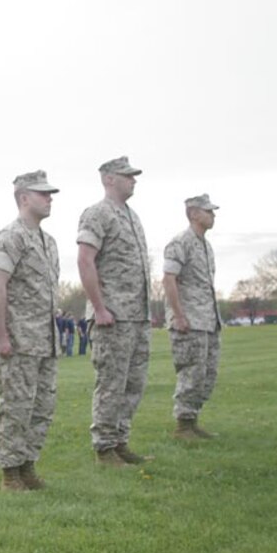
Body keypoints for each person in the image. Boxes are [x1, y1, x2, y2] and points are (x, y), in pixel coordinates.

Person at [0, 170, 61, 491]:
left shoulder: (48, 242)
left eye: (50, 194)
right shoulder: (10, 238)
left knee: (42, 408)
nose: (50, 198)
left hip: (44, 340)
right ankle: (10, 473)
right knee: (16, 408)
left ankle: (28, 466)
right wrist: (1, 334)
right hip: (17, 341)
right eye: (43, 194)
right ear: (24, 198)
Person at [77, 156, 152, 466]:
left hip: (136, 316)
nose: (133, 180)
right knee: (111, 382)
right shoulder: (97, 214)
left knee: (134, 383)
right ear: (109, 179)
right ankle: (104, 447)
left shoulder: (132, 217)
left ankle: (120, 440)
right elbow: (85, 260)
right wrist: (99, 308)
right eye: (127, 175)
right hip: (112, 317)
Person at [163, 194, 222, 440]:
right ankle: (183, 426)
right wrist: (179, 315)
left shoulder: (205, 246)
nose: (213, 215)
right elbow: (169, 279)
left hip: (208, 320)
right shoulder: (180, 242)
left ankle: (192, 419)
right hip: (189, 321)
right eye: (208, 211)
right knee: (191, 373)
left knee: (207, 374)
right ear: (194, 213)